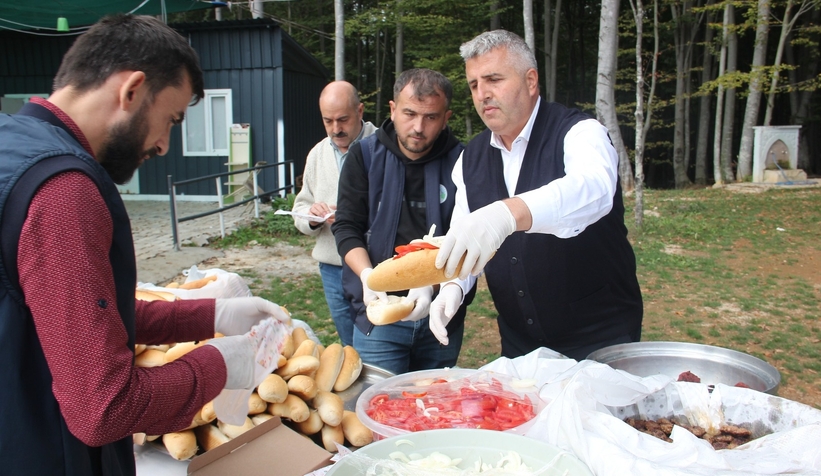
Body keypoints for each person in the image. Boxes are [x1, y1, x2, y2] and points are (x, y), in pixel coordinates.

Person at [0, 15, 290, 475]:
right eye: (170, 120)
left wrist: (208, 314)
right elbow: (103, 409)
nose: (163, 145)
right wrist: (217, 363)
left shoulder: (11, 142)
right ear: (132, 90)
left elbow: (70, 317)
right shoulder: (63, 192)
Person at [430, 30, 643, 361]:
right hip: (520, 343)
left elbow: (594, 188)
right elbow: (467, 236)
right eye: (474, 85)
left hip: (601, 336)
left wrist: (509, 212)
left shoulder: (580, 132)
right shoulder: (469, 158)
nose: (482, 94)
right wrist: (452, 288)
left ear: (531, 81)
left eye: (494, 79)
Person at [332, 68, 475, 375]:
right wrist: (368, 277)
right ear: (393, 109)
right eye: (409, 113)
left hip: (442, 312)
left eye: (431, 117)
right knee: (380, 410)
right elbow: (346, 227)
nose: (418, 127)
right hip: (380, 314)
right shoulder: (364, 157)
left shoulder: (463, 162)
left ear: (446, 117)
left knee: (435, 410)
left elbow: (470, 238)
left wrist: (438, 288)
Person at [292, 81, 377, 347]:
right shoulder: (318, 153)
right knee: (348, 344)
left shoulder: (382, 146)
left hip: (372, 263)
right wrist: (312, 216)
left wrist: (351, 216)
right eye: (328, 121)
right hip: (332, 268)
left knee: (375, 341)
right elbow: (300, 208)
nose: (335, 129)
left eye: (343, 119)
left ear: (360, 111)